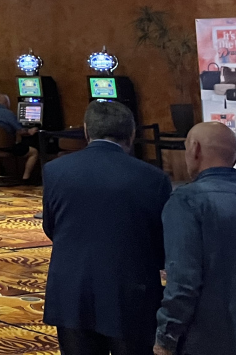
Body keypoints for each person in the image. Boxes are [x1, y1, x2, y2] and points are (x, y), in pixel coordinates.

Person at [43, 100, 172, 355]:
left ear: (86, 130)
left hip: (71, 292)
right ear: (132, 133)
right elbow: (161, 243)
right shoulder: (153, 178)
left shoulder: (55, 170)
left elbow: (51, 227)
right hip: (131, 293)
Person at [154, 122, 236, 355]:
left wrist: (166, 338)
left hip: (208, 340)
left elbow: (183, 282)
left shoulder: (186, 202)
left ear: (195, 150)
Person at [0, 92, 39, 181]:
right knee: (34, 152)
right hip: (5, 148)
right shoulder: (8, 114)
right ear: (7, 102)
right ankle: (25, 178)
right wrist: (30, 131)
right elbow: (21, 131)